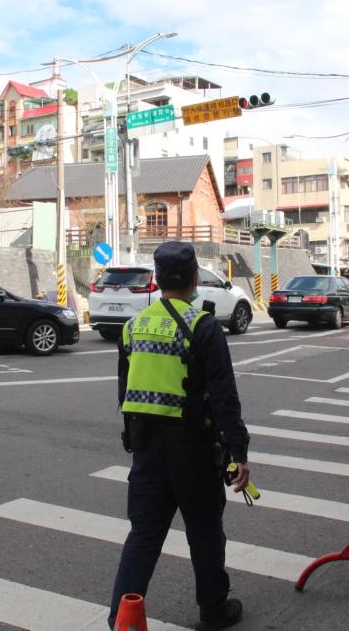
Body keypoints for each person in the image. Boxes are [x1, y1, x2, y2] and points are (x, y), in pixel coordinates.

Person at [108, 241, 251, 631]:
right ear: (193, 280)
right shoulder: (202, 326)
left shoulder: (133, 327)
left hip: (146, 449)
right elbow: (224, 397)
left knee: (143, 537)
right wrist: (238, 452)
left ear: (155, 279)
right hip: (194, 450)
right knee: (205, 535)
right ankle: (213, 610)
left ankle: (120, 621)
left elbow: (125, 393)